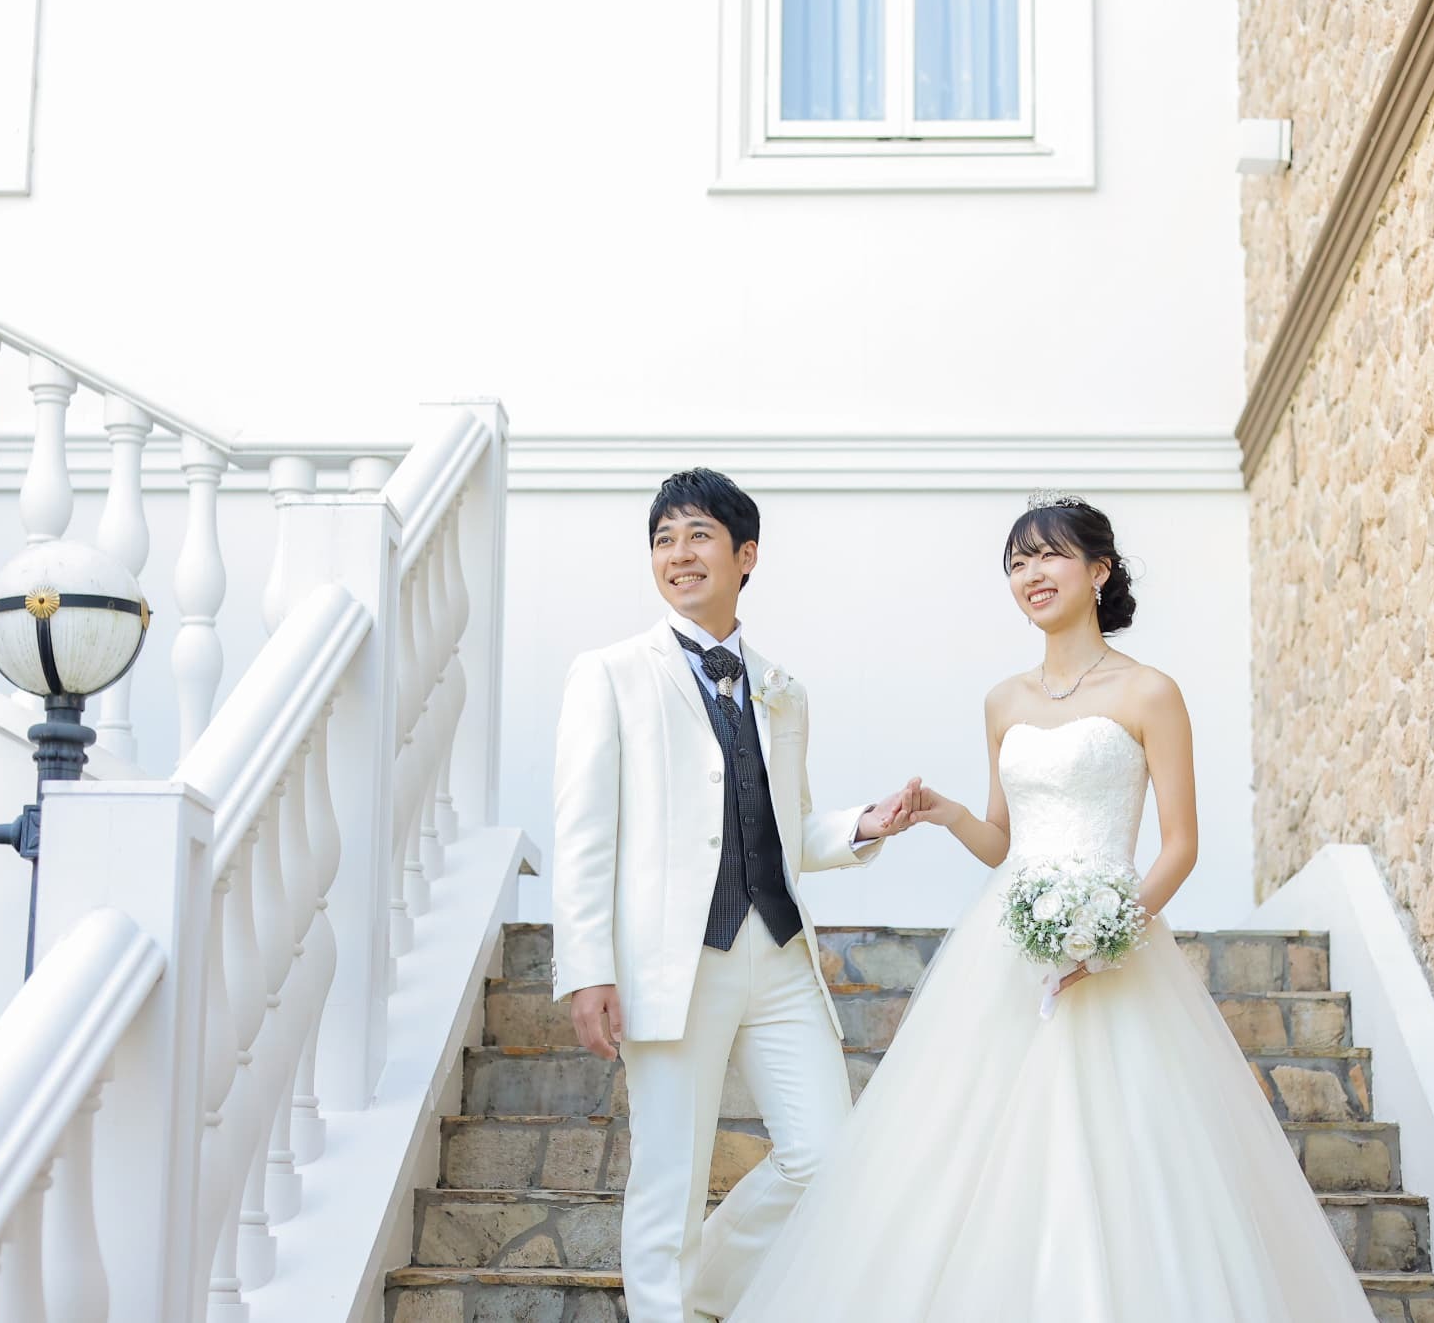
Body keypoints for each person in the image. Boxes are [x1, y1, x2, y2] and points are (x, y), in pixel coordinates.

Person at [724, 491, 1378, 1321]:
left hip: (1116, 944)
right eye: (1017, 561)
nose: (1031, 573)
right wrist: (946, 813)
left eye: (1049, 554)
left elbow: (1180, 844)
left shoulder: (1150, 692)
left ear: (1098, 571)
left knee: (1125, 1156)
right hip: (1008, 943)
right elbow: (1005, 840)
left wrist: (1108, 937)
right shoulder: (1004, 701)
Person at [548, 467, 918, 1323]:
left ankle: (704, 1289)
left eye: (698, 535)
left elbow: (783, 825)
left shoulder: (783, 687)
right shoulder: (610, 674)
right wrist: (588, 967)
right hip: (672, 964)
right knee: (668, 1178)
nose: (679, 554)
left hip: (778, 955)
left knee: (827, 1157)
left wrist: (863, 824)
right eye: (663, 539)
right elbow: (582, 831)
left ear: (746, 554)